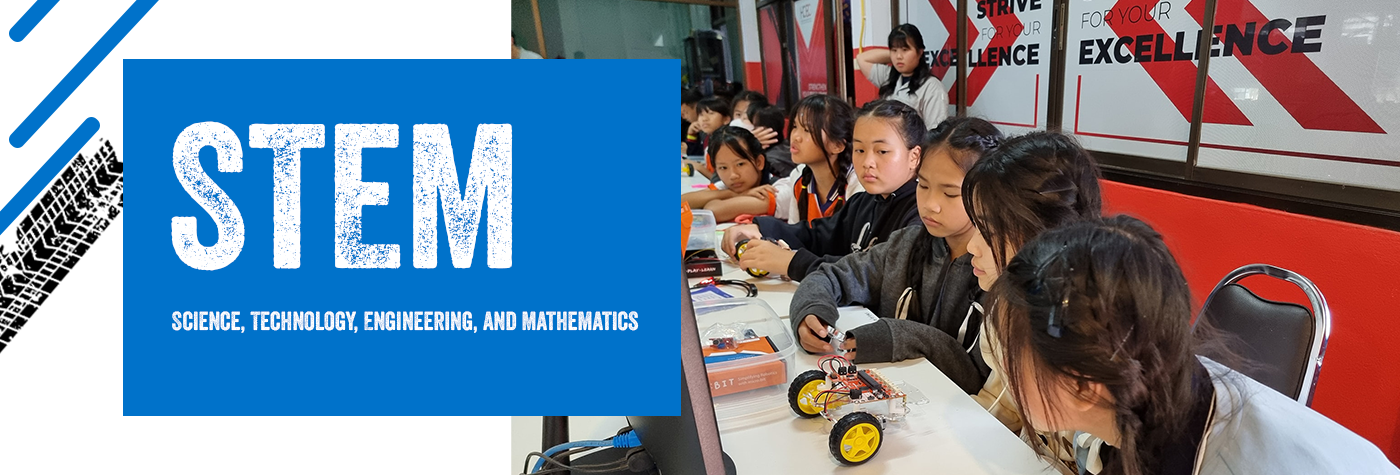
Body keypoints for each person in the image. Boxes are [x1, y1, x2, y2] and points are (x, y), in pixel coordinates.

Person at [987, 216, 1400, 475]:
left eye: (1012, 349)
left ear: (1082, 385)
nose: (1004, 360)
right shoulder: (1150, 387)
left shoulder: (1223, 461)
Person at [786, 117, 1003, 394]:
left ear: (989, 194)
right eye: (923, 186)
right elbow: (831, 276)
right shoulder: (907, 244)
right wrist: (811, 310)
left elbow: (977, 378)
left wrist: (897, 337)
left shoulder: (996, 270)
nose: (930, 205)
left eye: (950, 193)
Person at [724, 99, 924, 282]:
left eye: (882, 151)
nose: (867, 162)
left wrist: (791, 262)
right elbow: (816, 236)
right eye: (860, 150)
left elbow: (873, 274)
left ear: (914, 156)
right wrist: (760, 228)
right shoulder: (864, 202)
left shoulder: (921, 213)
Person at [721, 94, 861, 235]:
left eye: (807, 130)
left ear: (837, 145)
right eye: (795, 126)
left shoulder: (857, 185)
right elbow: (794, 236)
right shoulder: (799, 176)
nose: (795, 136)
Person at [855, 24, 948, 127]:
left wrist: (896, 54)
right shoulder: (888, 77)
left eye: (905, 50)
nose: (899, 56)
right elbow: (861, 59)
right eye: (894, 50)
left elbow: (936, 132)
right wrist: (894, 56)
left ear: (920, 52)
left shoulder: (932, 87)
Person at [680, 126, 776, 222]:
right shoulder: (731, 186)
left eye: (740, 164)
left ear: (759, 162)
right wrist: (733, 194)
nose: (733, 175)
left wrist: (733, 195)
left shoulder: (776, 189)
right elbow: (682, 201)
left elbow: (713, 210)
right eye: (723, 167)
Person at [750, 105, 795, 177]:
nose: (751, 131)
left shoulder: (768, 162)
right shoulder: (792, 146)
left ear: (763, 130)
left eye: (754, 127)